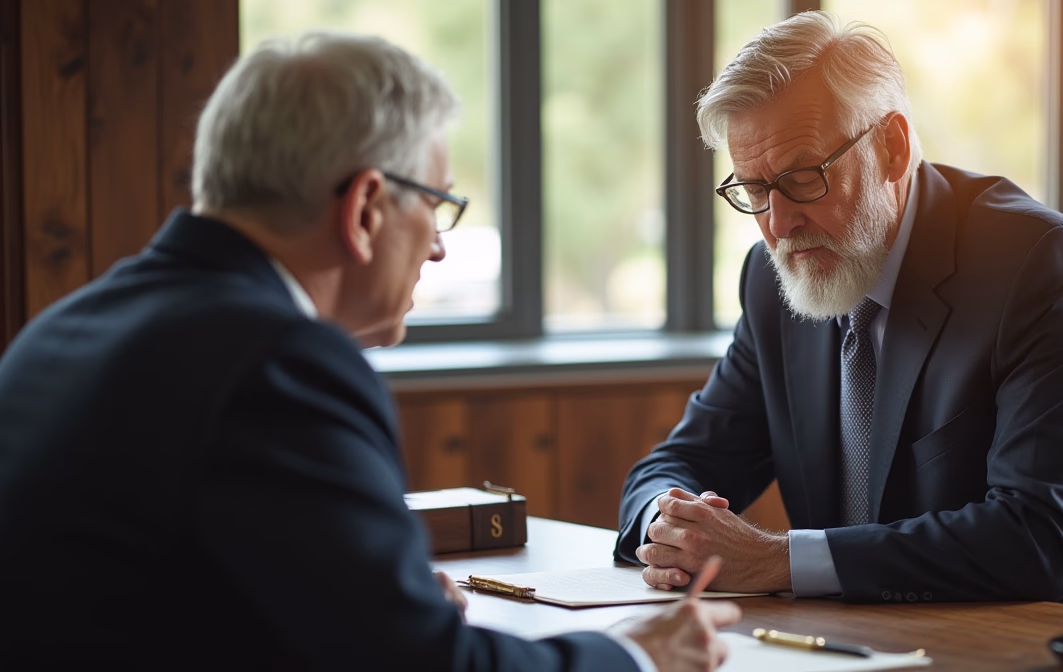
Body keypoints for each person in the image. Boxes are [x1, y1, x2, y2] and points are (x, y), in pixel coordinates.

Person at [0, 32, 740, 670]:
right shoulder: (280, 364)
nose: (441, 247)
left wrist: (380, 600)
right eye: (438, 204)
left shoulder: (63, 331)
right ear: (363, 209)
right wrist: (639, 654)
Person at [615, 11, 1063, 623]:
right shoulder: (776, 279)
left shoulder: (1042, 268)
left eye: (804, 178)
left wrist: (777, 561)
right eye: (754, 190)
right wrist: (672, 525)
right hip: (885, 637)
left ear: (891, 147)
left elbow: (1037, 537)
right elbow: (675, 463)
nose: (778, 225)